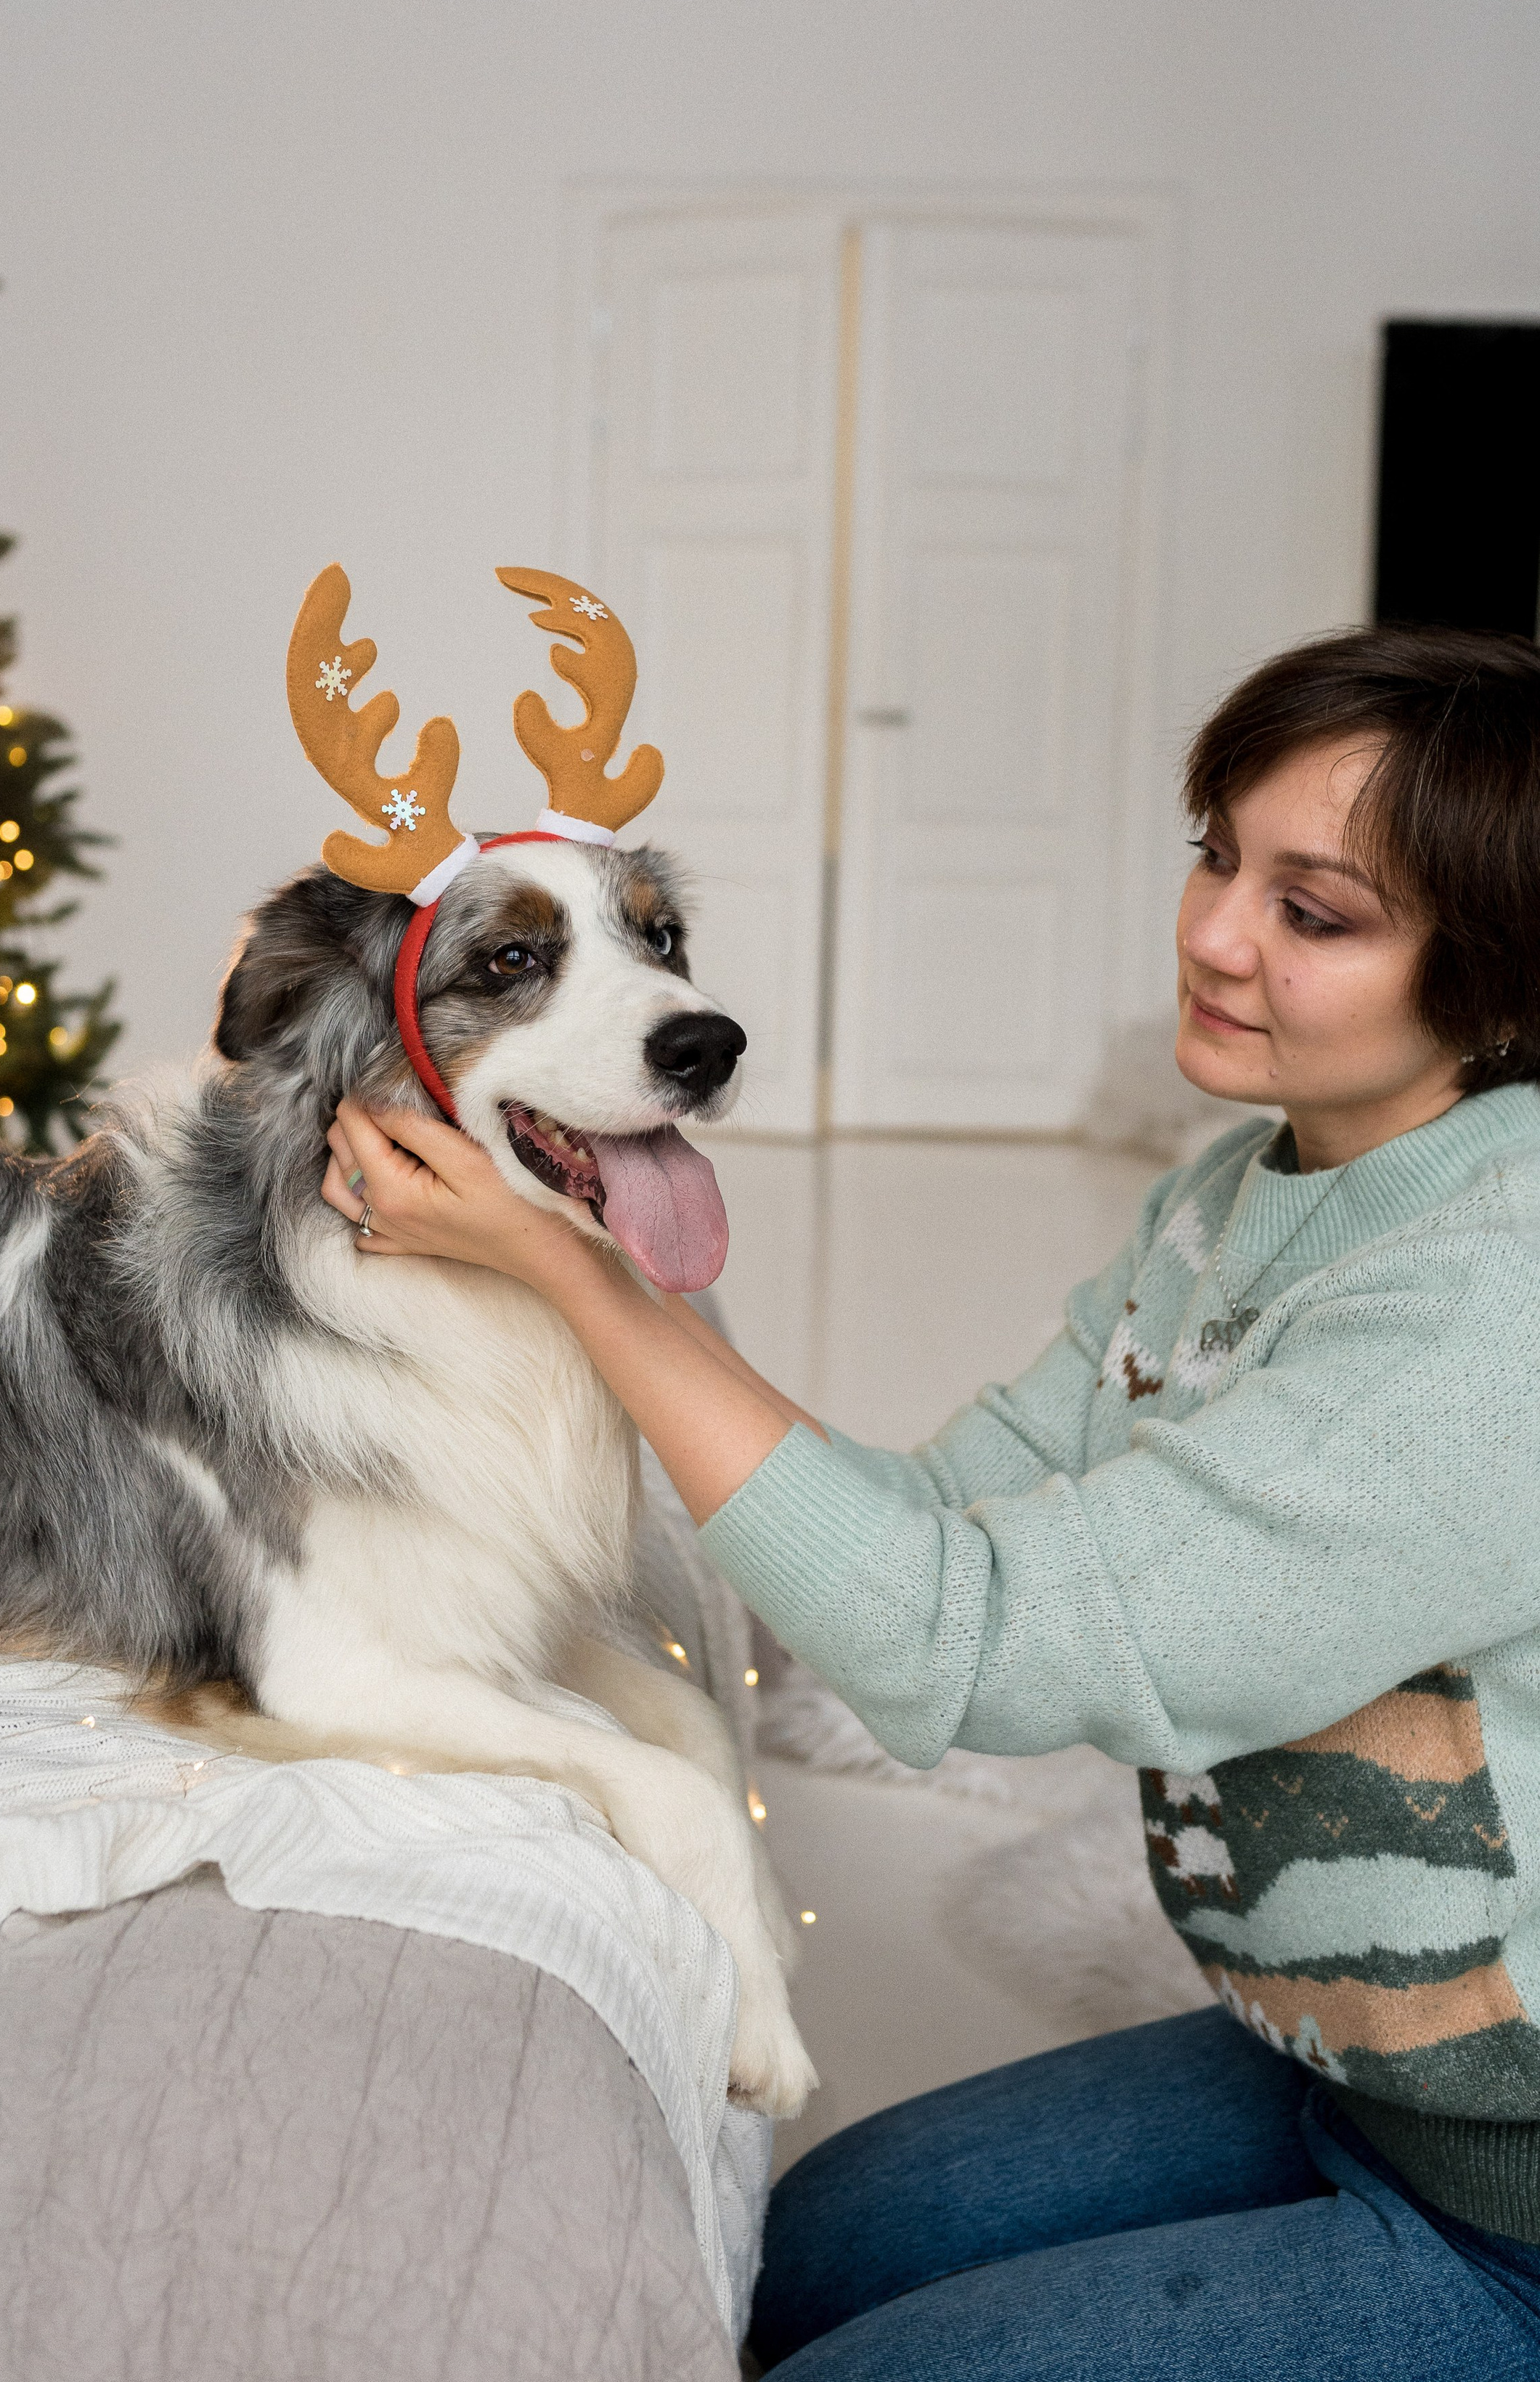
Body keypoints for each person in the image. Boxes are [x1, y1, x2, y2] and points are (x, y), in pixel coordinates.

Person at [323, 623, 1540, 2379]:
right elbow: (931, 1518)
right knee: (797, 2256)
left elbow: (967, 1650)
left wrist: (580, 1282)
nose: (1207, 934)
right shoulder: (1234, 1194)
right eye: (1216, 855)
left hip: (1512, 2201)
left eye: (1312, 911)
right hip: (1333, 2068)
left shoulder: (1486, 1303)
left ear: (1498, 984)